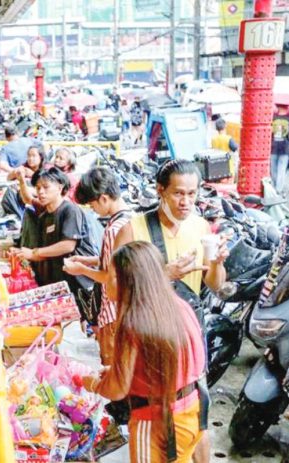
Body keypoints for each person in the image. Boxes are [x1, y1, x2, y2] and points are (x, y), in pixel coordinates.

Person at [114, 159, 228, 463]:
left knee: (196, 412)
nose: (186, 202)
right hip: (150, 340)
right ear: (160, 191)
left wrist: (216, 262)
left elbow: (215, 285)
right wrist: (164, 274)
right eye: (179, 193)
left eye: (192, 194)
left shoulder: (202, 227)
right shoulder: (133, 229)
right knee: (156, 416)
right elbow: (114, 289)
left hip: (187, 335)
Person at [83, 241, 207, 463]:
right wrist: (117, 370)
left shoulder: (132, 322)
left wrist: (91, 383)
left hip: (158, 422)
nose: (106, 283)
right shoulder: (178, 306)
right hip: (192, 412)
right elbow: (169, 363)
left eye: (111, 276)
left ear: (128, 282)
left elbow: (117, 390)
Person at [63, 167, 132, 363]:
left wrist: (80, 270)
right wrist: (87, 260)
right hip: (126, 309)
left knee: (111, 367)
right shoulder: (130, 219)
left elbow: (108, 276)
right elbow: (114, 261)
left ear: (103, 198)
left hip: (112, 312)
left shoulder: (114, 229)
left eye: (92, 205)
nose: (93, 210)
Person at [12, 168, 98, 318]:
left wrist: (34, 253)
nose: (41, 192)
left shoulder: (70, 210)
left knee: (90, 323)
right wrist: (21, 180)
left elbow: (68, 245)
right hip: (59, 281)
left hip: (78, 281)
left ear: (60, 187)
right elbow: (27, 198)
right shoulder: (45, 211)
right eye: (38, 188)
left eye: (46, 187)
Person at [270, 117, 289, 194]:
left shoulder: (272, 118)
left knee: (273, 169)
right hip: (285, 147)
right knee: (281, 170)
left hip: (273, 146)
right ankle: (278, 190)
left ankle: (274, 187)